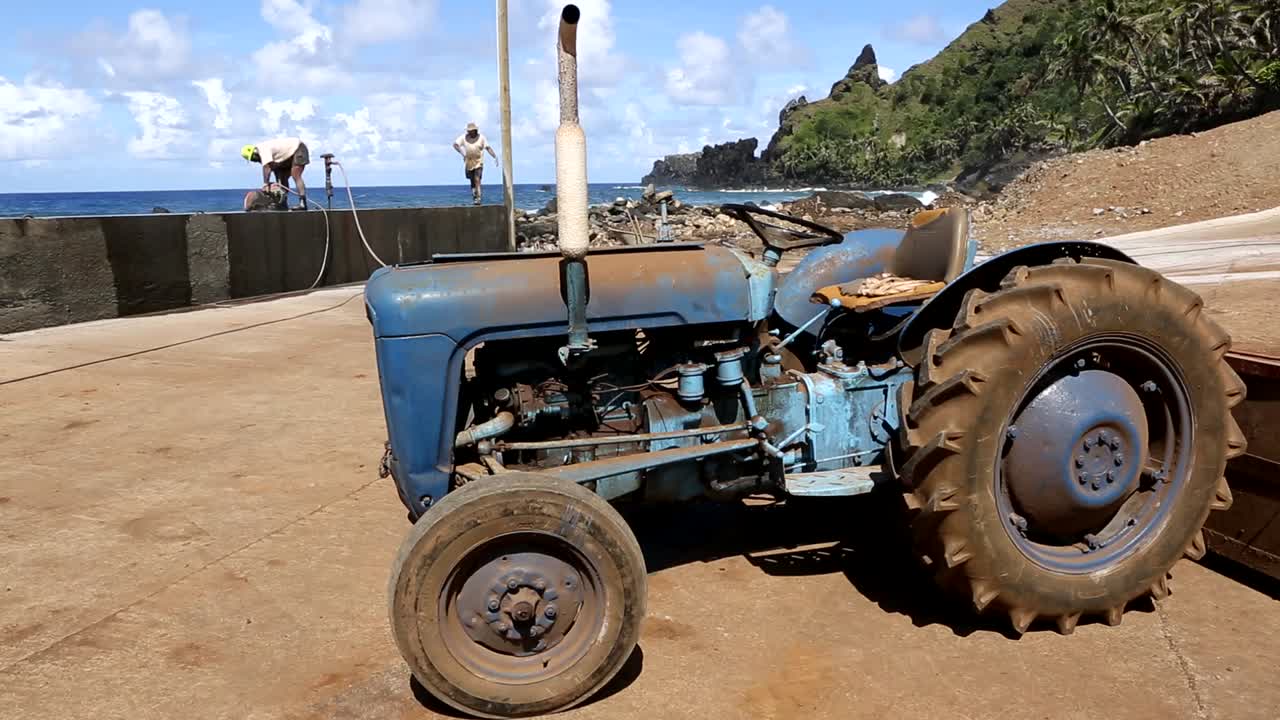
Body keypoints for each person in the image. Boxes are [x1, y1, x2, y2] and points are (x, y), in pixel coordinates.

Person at [241, 137, 310, 210]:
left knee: (295, 175)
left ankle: (303, 203)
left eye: (253, 158)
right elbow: (273, 168)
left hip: (298, 148)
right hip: (286, 157)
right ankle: (283, 204)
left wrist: (265, 184)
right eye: (252, 160)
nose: (255, 161)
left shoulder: (263, 149)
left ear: (255, 152)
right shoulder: (267, 155)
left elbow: (267, 168)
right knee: (281, 178)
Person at [453, 123, 499, 205]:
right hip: (469, 162)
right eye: (469, 131)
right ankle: (475, 197)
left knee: (477, 179)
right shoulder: (464, 137)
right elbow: (455, 145)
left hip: (478, 162)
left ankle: (479, 198)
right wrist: (463, 153)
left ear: (475, 130)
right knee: (472, 181)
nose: (470, 132)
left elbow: (488, 148)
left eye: (472, 131)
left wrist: (495, 156)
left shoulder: (481, 138)